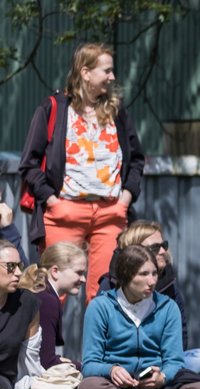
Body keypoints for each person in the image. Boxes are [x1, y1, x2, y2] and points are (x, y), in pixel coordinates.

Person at [18, 42, 145, 299]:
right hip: (64, 211)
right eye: (106, 71)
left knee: (105, 295)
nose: (112, 77)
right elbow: (29, 163)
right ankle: (40, 341)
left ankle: (99, 342)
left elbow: (137, 159)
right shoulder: (54, 107)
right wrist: (52, 200)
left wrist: (126, 197)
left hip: (111, 213)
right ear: (85, 73)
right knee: (51, 294)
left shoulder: (117, 111)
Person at [78, 245, 200, 389]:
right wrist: (111, 370)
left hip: (158, 387)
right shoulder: (100, 307)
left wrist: (163, 378)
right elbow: (90, 364)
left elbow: (175, 361)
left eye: (154, 273)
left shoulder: (168, 307)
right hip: (118, 387)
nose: (152, 281)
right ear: (126, 275)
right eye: (143, 274)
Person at [98, 221, 200, 375]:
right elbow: (100, 345)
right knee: (92, 385)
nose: (162, 251)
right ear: (134, 251)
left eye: (163, 245)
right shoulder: (109, 286)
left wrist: (162, 369)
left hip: (161, 362)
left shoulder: (169, 286)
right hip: (119, 363)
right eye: (155, 247)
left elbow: (180, 340)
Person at [18, 241, 86, 370]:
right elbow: (46, 362)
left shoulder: (41, 293)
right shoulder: (47, 301)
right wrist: (81, 366)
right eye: (79, 272)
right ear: (55, 271)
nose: (83, 279)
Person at [0, 241, 41, 389]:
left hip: (4, 379)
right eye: (10, 266)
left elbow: (30, 357)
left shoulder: (26, 302)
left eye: (20, 265)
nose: (18, 272)